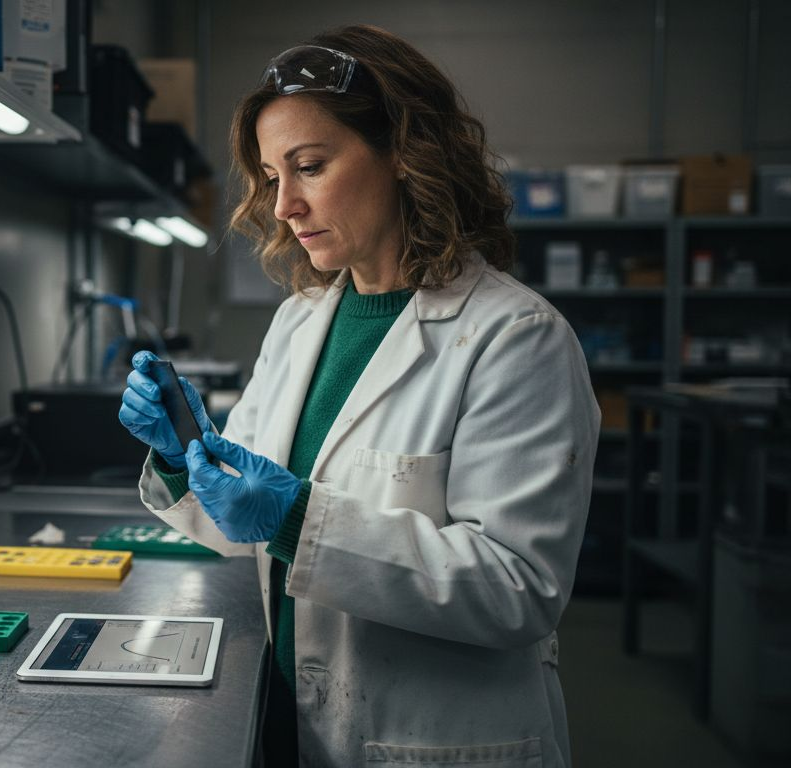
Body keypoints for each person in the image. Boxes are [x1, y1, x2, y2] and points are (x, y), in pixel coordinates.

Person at [119, 24, 598, 768]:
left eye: (308, 166)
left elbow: (518, 588)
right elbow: (244, 522)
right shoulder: (299, 322)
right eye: (274, 177)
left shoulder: (517, 337)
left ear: (408, 156)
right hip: (284, 720)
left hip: (429, 740)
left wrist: (298, 518)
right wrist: (183, 460)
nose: (283, 207)